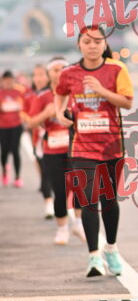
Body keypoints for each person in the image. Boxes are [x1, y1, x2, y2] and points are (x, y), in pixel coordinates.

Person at [55, 26, 134, 277]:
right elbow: (59, 93)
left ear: (104, 45)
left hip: (112, 146)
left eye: (97, 42)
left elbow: (127, 102)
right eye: (87, 42)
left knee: (108, 201)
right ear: (78, 45)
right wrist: (59, 113)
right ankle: (93, 257)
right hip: (82, 146)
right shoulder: (69, 73)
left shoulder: (117, 69)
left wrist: (101, 91)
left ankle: (111, 248)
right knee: (89, 199)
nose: (92, 46)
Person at [24, 58, 85, 245]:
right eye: (55, 70)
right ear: (49, 73)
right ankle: (62, 229)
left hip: (75, 148)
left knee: (79, 187)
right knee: (60, 190)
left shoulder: (76, 93)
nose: (59, 73)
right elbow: (30, 123)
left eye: (63, 69)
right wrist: (46, 113)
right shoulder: (42, 96)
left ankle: (79, 224)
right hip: (52, 149)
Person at [23, 64, 54, 218]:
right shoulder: (30, 95)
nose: (39, 78)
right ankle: (49, 204)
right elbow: (27, 117)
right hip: (40, 139)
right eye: (36, 75)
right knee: (45, 172)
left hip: (61, 140)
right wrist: (40, 118)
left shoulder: (57, 92)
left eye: (42, 74)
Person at [0, 70, 25, 187]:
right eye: (6, 80)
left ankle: (17, 177)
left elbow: (25, 106)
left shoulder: (19, 92)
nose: (8, 83)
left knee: (15, 150)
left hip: (16, 126)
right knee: (4, 151)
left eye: (10, 80)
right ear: (2, 81)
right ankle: (5, 172)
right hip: (3, 127)